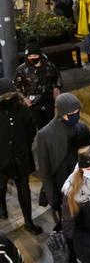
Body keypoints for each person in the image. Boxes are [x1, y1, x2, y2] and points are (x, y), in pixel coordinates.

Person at [37, 93, 90, 229]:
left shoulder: (83, 129)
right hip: (62, 186)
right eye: (71, 113)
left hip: (83, 182)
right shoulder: (45, 135)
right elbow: (45, 171)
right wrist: (53, 199)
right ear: (61, 113)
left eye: (77, 111)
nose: (76, 115)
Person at [0, 79, 41, 234]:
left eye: (9, 95)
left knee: (24, 190)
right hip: (1, 158)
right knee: (1, 186)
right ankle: (2, 207)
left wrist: (22, 146)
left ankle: (28, 221)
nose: (7, 99)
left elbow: (31, 130)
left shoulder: (22, 109)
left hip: (20, 157)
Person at [13, 41, 62, 129]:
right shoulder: (21, 70)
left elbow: (57, 78)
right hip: (33, 104)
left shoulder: (49, 66)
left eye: (35, 56)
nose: (32, 58)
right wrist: (24, 99)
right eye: (30, 56)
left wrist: (57, 89)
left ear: (39, 55)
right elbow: (16, 87)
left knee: (51, 125)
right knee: (41, 127)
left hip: (48, 101)